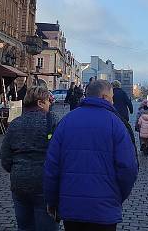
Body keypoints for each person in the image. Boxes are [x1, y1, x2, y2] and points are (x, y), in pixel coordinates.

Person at [43, 79, 138, 230]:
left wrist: (52, 201)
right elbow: (128, 168)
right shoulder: (117, 124)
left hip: (72, 208)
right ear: (105, 97)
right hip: (104, 209)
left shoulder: (66, 121)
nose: (113, 102)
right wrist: (118, 196)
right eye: (112, 98)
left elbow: (51, 167)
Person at [1, 86, 58, 231]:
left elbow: (5, 157)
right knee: (47, 226)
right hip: (44, 182)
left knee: (25, 226)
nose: (49, 104)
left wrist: (17, 169)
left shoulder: (15, 124)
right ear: (40, 103)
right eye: (47, 101)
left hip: (19, 182)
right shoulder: (51, 121)